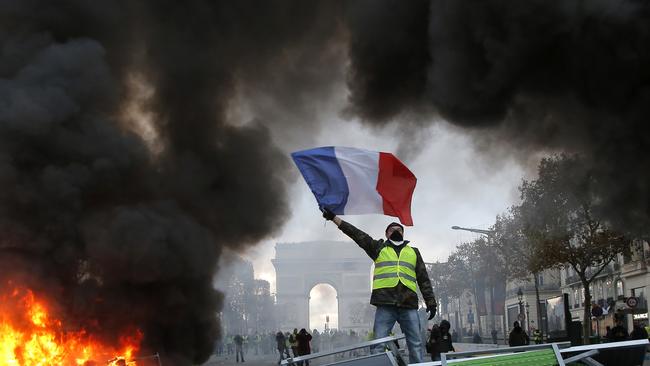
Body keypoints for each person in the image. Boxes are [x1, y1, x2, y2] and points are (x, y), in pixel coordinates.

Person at [322, 209, 437, 364]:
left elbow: (423, 279)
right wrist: (334, 218)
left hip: (408, 303)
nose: (396, 231)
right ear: (386, 234)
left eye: (399, 229)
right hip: (385, 304)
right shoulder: (378, 248)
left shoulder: (414, 252)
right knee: (378, 345)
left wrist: (431, 301)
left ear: (403, 233)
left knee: (415, 345)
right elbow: (356, 234)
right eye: (392, 230)